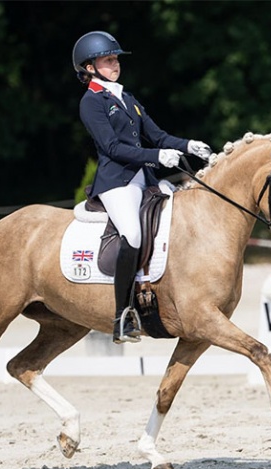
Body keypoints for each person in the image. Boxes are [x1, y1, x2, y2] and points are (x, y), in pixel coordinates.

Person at [72, 30, 212, 344]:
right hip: (116, 182)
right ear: (90, 67)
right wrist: (156, 156)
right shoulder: (91, 102)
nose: (115, 63)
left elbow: (159, 136)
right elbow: (111, 148)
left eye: (116, 59)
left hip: (144, 178)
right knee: (132, 235)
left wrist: (190, 145)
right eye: (108, 59)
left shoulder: (127, 98)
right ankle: (122, 315)